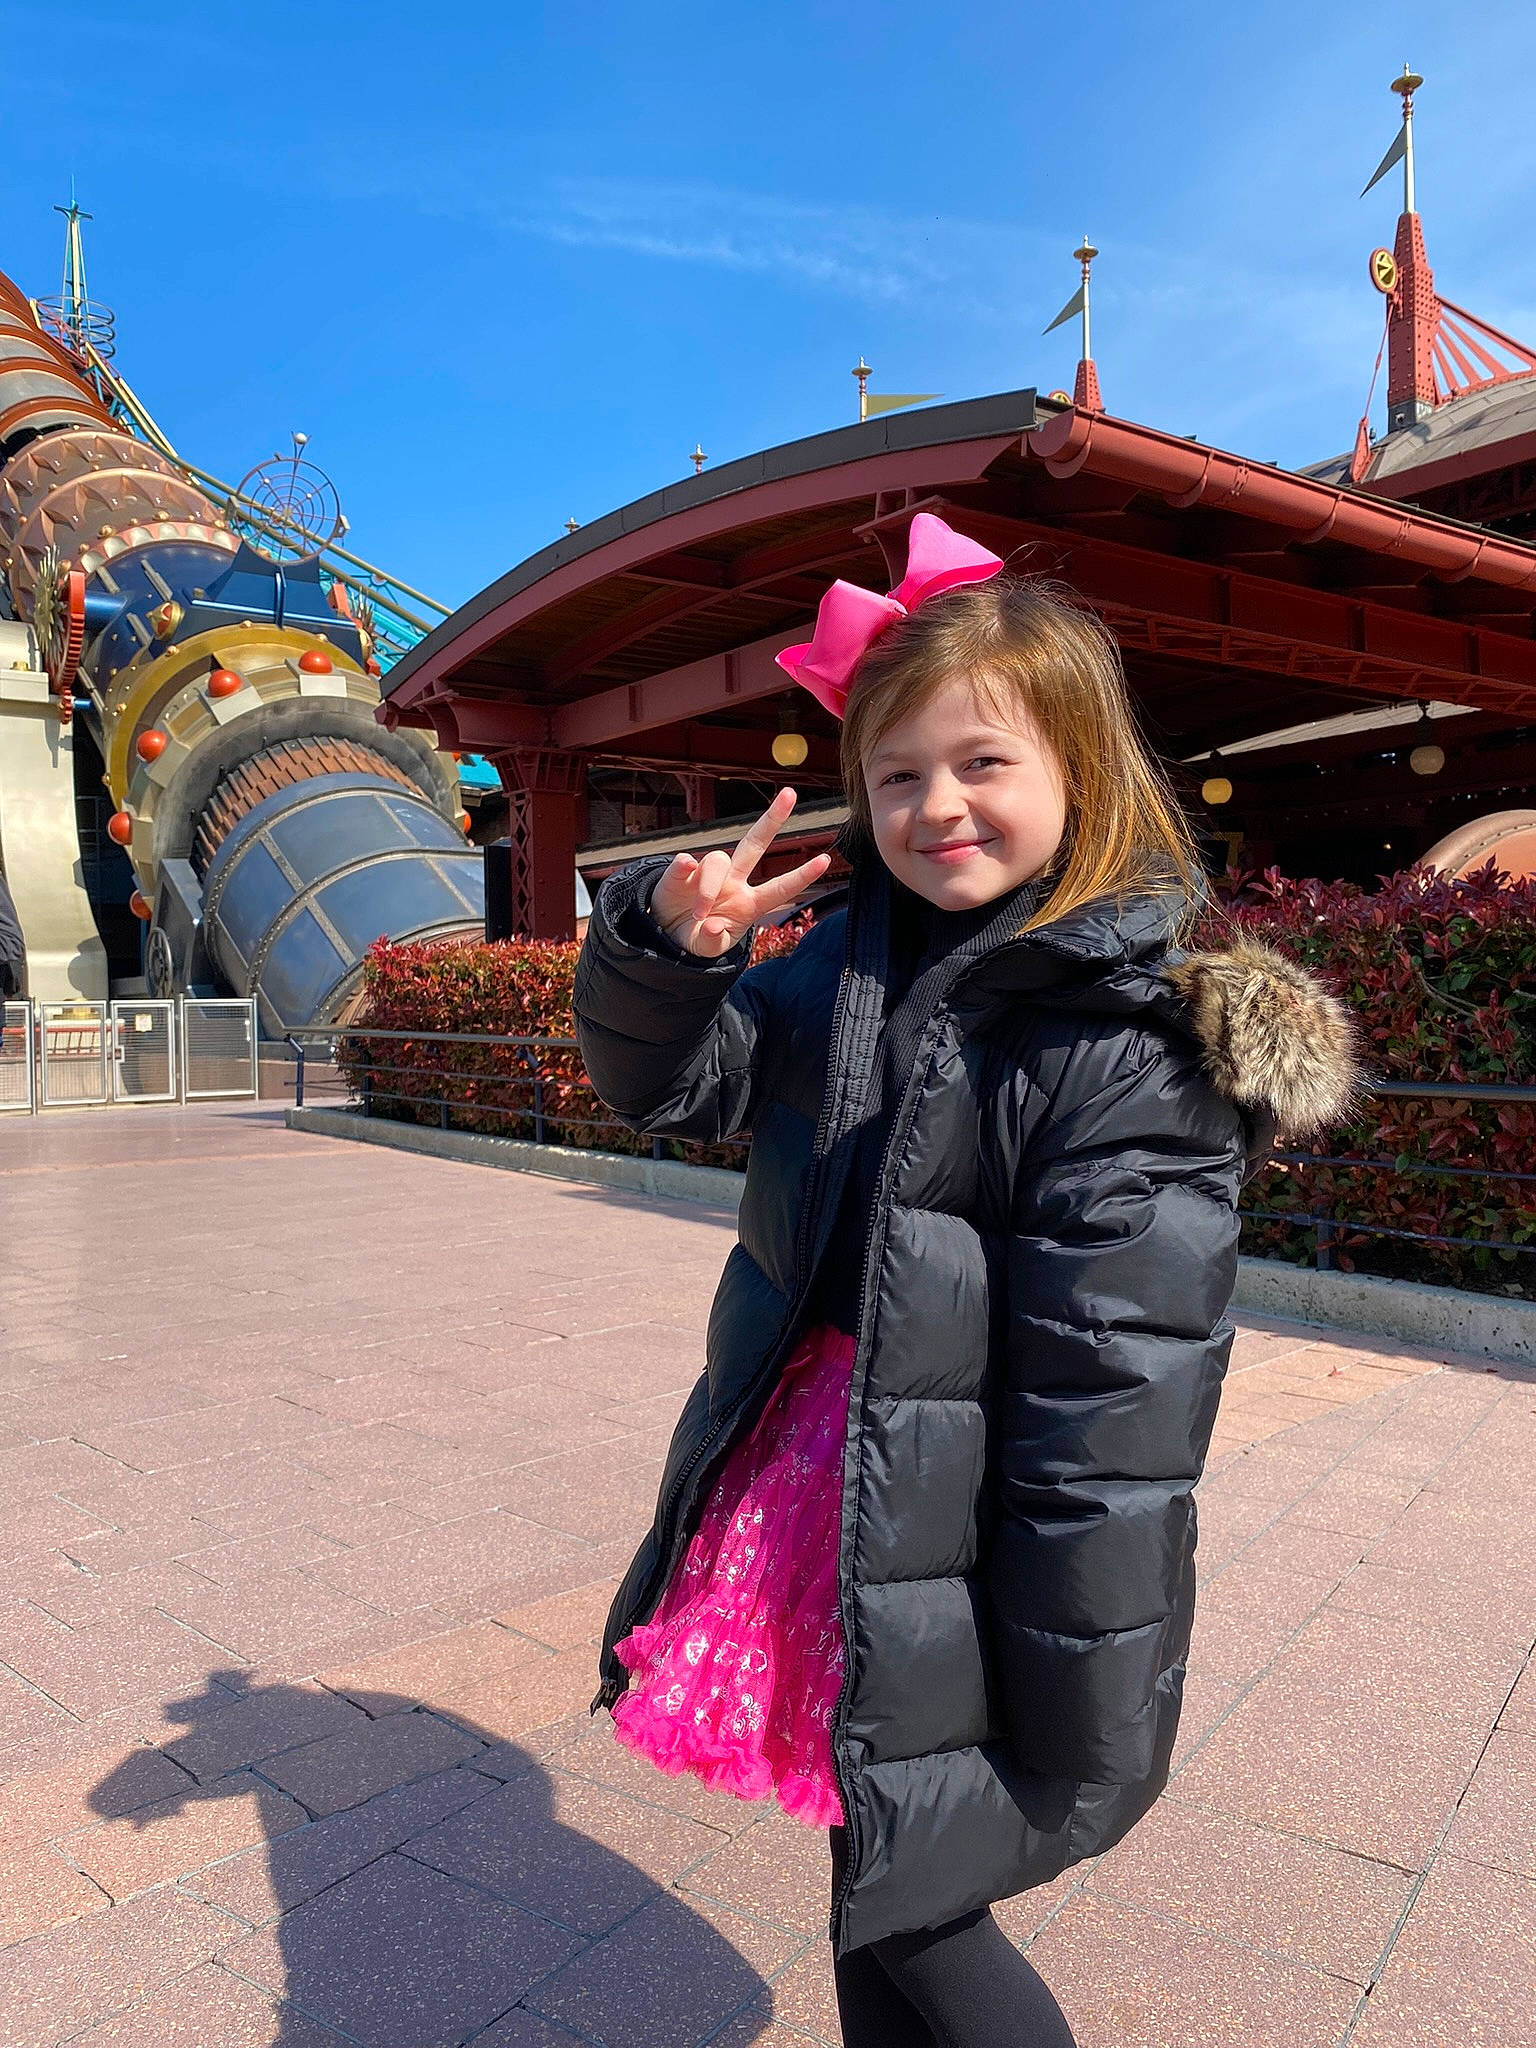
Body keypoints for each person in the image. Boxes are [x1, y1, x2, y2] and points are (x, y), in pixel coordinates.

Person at [573, 514, 1356, 2047]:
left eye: (982, 762)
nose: (937, 805)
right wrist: (669, 959)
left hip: (978, 1530)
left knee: (919, 1903)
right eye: (898, 774)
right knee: (872, 1858)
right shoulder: (837, 962)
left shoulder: (1124, 1037)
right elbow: (677, 1087)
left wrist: (1074, 1675)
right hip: (833, 1485)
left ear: (1080, 767)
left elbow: (1113, 1408)